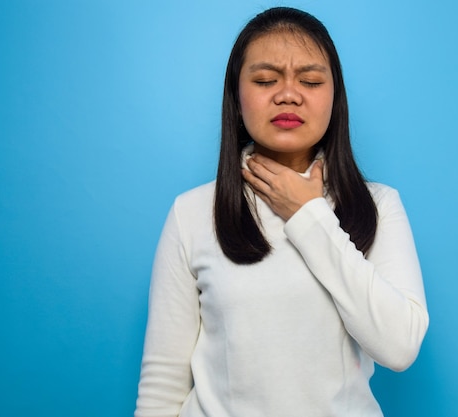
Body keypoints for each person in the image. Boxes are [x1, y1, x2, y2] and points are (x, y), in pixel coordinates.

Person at [134, 6, 428, 417]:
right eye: (265, 80)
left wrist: (308, 213)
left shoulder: (378, 204)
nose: (288, 94)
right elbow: (163, 382)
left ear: (334, 98)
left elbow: (400, 345)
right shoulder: (192, 212)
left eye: (309, 80)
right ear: (236, 99)